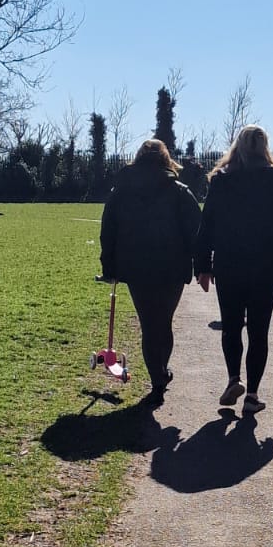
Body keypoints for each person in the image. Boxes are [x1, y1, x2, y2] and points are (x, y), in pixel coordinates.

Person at [194, 125, 273, 414]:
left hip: (229, 263)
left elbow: (207, 226)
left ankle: (233, 378)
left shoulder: (222, 180)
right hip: (267, 265)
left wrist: (203, 266)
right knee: (259, 330)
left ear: (237, 146)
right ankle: (253, 394)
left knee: (231, 326)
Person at [99, 139, 202, 403]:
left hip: (136, 266)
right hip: (171, 265)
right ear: (166, 160)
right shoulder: (179, 191)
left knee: (149, 323)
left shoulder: (120, 192)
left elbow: (108, 231)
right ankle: (160, 372)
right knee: (163, 322)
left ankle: (157, 375)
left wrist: (109, 266)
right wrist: (201, 264)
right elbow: (195, 232)